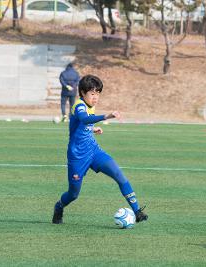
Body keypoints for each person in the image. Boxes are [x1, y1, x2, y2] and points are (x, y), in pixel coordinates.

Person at [52, 75, 148, 225]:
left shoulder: (90, 104)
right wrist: (106, 116)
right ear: (83, 93)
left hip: (94, 150)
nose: (95, 97)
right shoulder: (79, 105)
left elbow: (83, 124)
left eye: (98, 93)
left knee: (118, 174)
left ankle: (137, 212)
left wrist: (92, 129)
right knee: (73, 194)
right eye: (92, 93)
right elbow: (83, 118)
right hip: (77, 156)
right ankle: (59, 206)